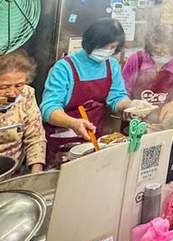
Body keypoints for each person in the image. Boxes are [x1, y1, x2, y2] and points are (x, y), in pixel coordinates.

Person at [41, 18, 131, 166]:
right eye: (103, 47)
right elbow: (48, 108)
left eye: (113, 47)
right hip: (63, 142)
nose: (107, 51)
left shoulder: (112, 65)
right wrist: (73, 123)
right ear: (89, 43)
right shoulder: (64, 67)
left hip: (95, 139)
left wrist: (131, 105)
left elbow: (117, 97)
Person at [121, 23, 173, 122]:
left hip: (165, 121)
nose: (161, 55)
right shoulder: (136, 59)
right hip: (134, 122)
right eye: (156, 51)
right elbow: (123, 90)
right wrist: (128, 105)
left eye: (166, 52)